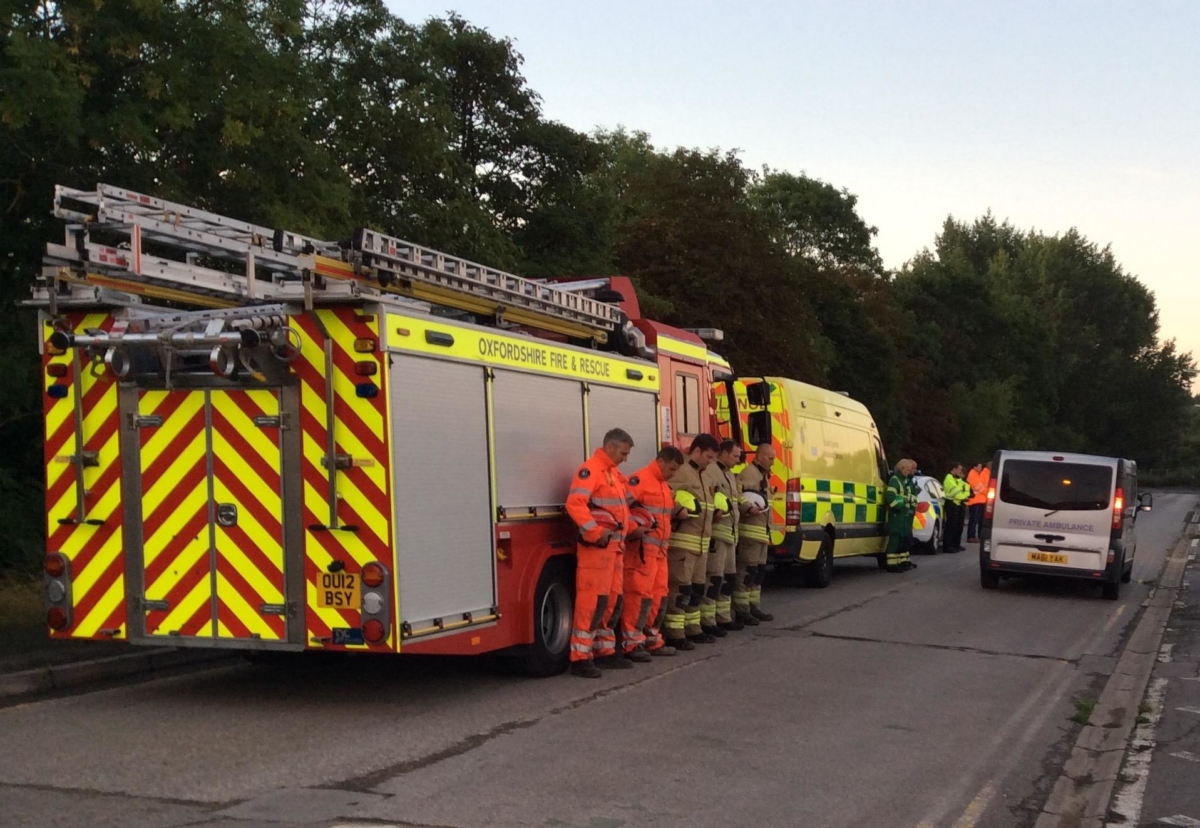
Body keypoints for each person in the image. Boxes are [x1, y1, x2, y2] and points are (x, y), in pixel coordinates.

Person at [565, 428, 636, 678]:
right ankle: (580, 658)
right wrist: (594, 531)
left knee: (610, 602)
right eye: (623, 453)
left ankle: (604, 651)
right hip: (597, 550)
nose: (625, 458)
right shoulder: (592, 470)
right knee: (591, 603)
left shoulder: (612, 473)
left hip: (614, 549)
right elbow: (575, 504)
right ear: (610, 447)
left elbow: (622, 507)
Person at [621, 446, 685, 661]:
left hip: (658, 551)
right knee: (639, 596)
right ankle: (632, 643)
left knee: (658, 596)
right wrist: (633, 529)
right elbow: (620, 510)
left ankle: (651, 639)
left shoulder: (662, 485)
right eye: (671, 469)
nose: (673, 474)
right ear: (660, 461)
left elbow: (663, 513)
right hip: (642, 551)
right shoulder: (639, 480)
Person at [666, 434, 720, 649]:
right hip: (683, 543)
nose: (711, 461)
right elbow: (665, 493)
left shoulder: (705, 476)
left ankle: (692, 628)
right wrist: (678, 510)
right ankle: (674, 632)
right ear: (696, 451)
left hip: (701, 544)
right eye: (708, 456)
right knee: (680, 589)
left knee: (697, 588)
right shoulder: (681, 472)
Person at [702, 440, 744, 637]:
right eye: (735, 456)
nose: (738, 460)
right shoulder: (711, 471)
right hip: (718, 534)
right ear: (724, 453)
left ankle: (723, 617)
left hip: (730, 534)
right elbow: (708, 496)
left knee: (728, 579)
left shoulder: (728, 474)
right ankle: (708, 620)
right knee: (714, 579)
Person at [735, 443, 776, 625]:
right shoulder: (748, 474)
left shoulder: (763, 476)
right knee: (747, 573)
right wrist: (747, 508)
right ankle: (742, 610)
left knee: (758, 573)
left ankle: (754, 607)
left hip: (761, 534)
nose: (773, 462)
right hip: (750, 533)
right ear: (759, 456)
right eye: (770, 458)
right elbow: (739, 496)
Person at [885, 458, 919, 572]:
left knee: (903, 538)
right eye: (908, 469)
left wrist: (910, 508)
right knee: (896, 537)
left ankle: (900, 562)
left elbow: (909, 497)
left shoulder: (904, 481)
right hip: (897, 514)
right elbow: (890, 496)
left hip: (904, 514)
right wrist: (898, 507)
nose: (909, 472)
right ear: (902, 468)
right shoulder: (895, 480)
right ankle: (892, 564)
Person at [941, 462, 970, 553]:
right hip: (952, 504)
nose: (961, 471)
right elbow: (956, 493)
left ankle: (956, 544)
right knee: (951, 526)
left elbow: (966, 489)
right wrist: (964, 496)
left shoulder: (957, 479)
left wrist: (964, 496)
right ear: (954, 468)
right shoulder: (949, 478)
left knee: (958, 526)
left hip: (959, 504)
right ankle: (948, 546)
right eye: (959, 469)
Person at [966, 461, 992, 542]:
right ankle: (971, 536)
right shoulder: (973, 475)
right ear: (975, 467)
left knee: (979, 519)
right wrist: (990, 493)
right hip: (975, 501)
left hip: (979, 500)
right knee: (974, 519)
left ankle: (976, 536)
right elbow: (979, 487)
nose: (981, 468)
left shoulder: (977, 474)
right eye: (979, 467)